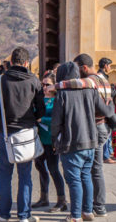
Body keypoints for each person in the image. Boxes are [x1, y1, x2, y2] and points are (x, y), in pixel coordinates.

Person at [51, 61, 116, 222]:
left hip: (71, 143)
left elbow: (56, 123)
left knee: (74, 180)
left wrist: (55, 140)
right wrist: (110, 107)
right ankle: (87, 211)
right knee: (86, 177)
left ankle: (75, 216)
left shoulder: (62, 94)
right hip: (91, 141)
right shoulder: (90, 91)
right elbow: (106, 110)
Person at [0, 46, 45, 222]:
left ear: (11, 62)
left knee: (4, 175)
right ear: (27, 63)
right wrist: (32, 119)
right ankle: (24, 216)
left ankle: (3, 214)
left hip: (5, 134)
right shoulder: (34, 81)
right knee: (25, 176)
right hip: (26, 136)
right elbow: (41, 109)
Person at [33, 71, 66, 213]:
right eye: (43, 84)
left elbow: (58, 120)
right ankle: (44, 197)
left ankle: (61, 200)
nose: (45, 87)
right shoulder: (39, 98)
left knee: (53, 169)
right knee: (40, 167)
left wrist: (42, 120)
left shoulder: (58, 100)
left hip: (51, 139)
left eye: (48, 84)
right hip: (39, 139)